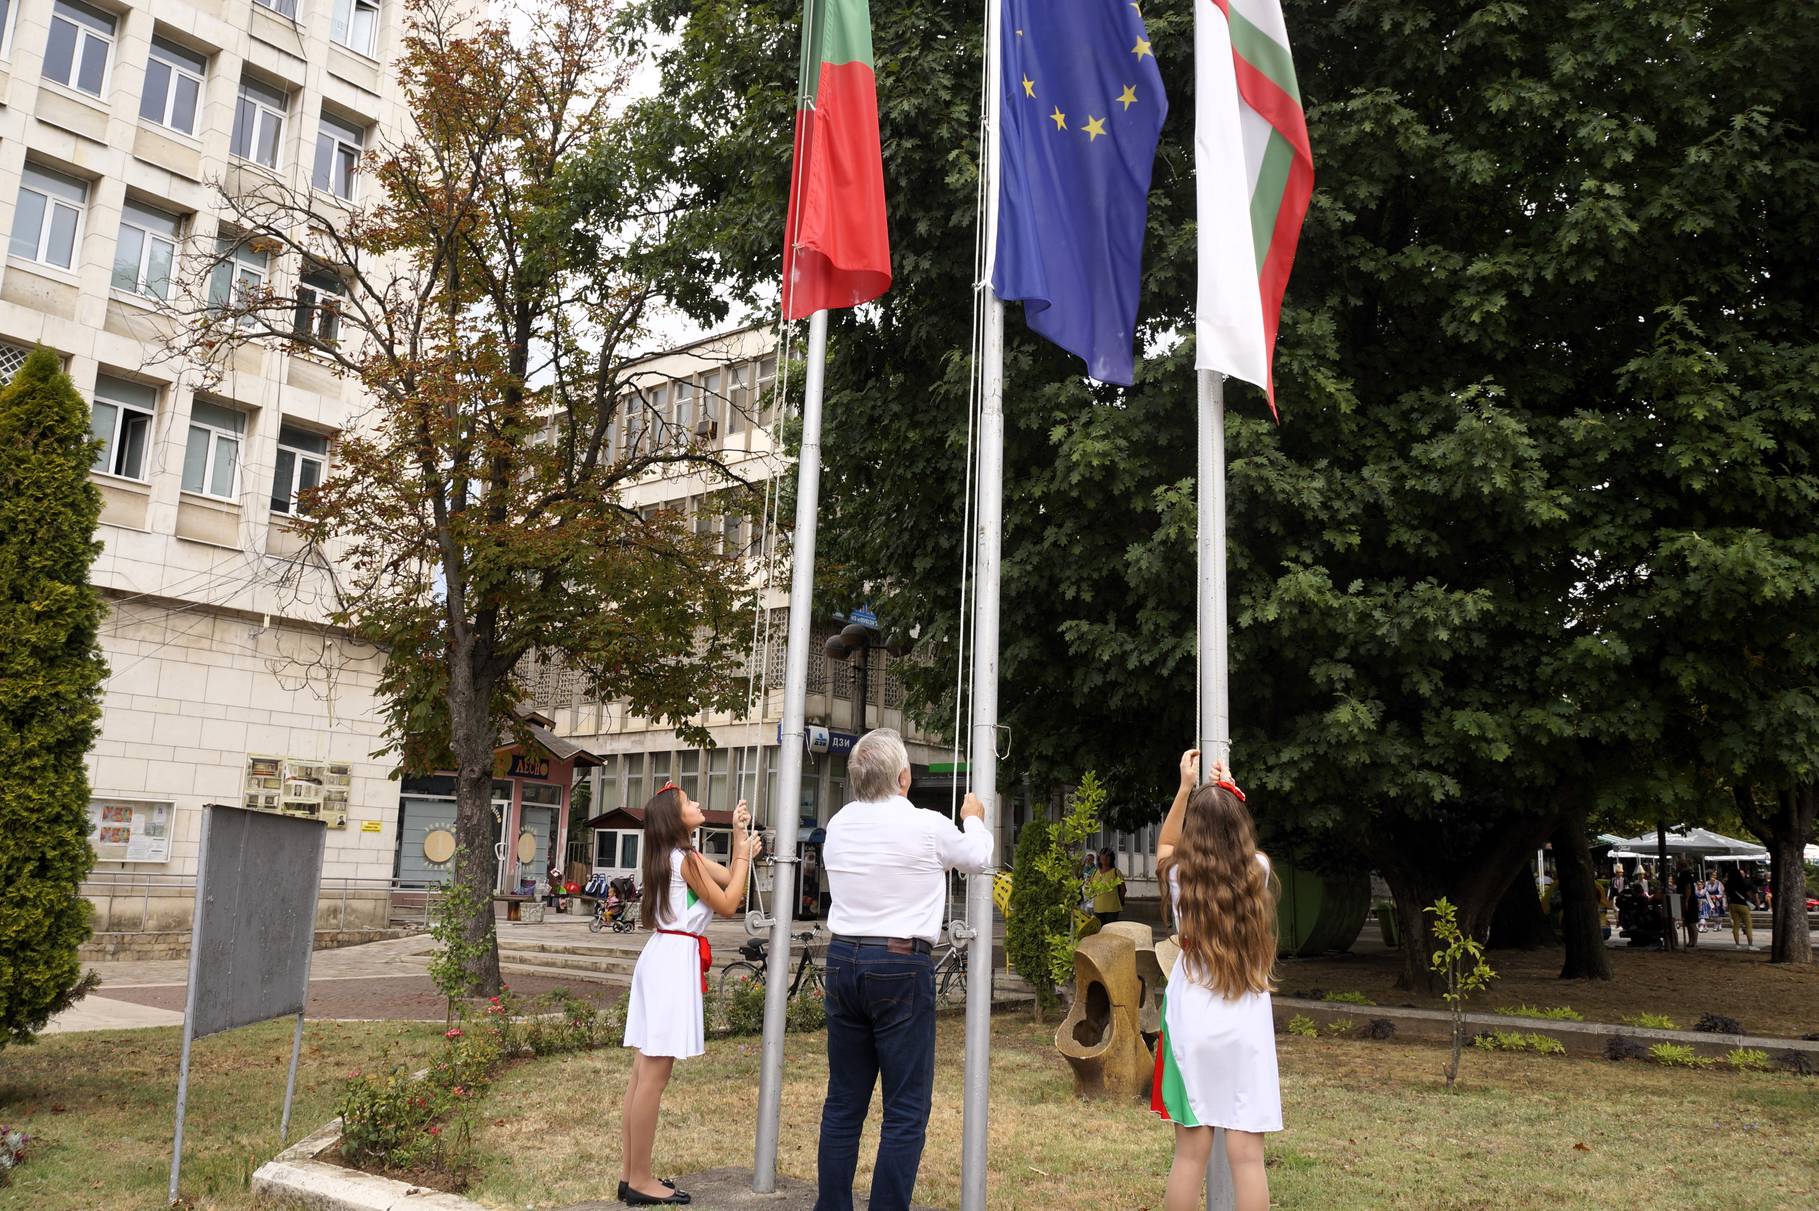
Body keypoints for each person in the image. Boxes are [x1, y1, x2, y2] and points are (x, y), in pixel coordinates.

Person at [814, 728, 992, 1211]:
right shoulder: (926, 824)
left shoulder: (839, 824)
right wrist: (973, 819)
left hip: (844, 957)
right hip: (898, 962)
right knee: (906, 1108)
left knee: (844, 1101)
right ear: (904, 777)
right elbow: (977, 858)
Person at [618, 783, 763, 1206]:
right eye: (688, 803)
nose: (698, 805)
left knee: (642, 1073)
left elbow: (728, 877)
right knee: (653, 1077)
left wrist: (739, 842)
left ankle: (631, 1174)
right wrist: (740, 854)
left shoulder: (677, 857)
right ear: (675, 818)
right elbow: (730, 902)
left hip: (661, 956)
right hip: (671, 962)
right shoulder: (686, 861)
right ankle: (641, 1180)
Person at [1152, 749, 1281, 1211]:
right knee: (1248, 1158)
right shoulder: (1258, 872)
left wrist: (1187, 787)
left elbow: (1166, 845)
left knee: (1190, 1154)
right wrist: (1227, 792)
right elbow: (1242, 843)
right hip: (1246, 1025)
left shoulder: (1180, 877)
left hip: (1193, 1027)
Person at [1724, 864, 1756, 950]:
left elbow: (1727, 894)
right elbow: (1748, 893)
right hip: (1742, 904)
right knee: (1748, 925)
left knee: (1736, 925)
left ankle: (1737, 944)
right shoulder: (1742, 882)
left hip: (1732, 905)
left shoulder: (1728, 883)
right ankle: (1750, 945)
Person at [1092, 847, 1126, 924]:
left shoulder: (1116, 872)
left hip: (1112, 909)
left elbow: (1123, 889)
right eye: (1103, 855)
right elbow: (1091, 888)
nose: (1105, 858)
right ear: (1099, 858)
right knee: (1100, 931)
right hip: (1098, 908)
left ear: (1112, 858)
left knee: (1110, 931)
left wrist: (1119, 901)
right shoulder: (1094, 872)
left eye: (1108, 856)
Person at [1675, 863, 1698, 947]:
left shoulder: (1686, 874)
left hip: (1690, 901)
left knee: (1692, 923)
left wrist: (1686, 901)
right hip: (1687, 900)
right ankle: (1690, 941)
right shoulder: (1683, 874)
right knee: (1688, 923)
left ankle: (1694, 941)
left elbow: (1688, 887)